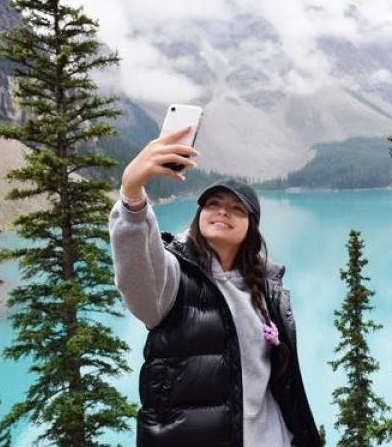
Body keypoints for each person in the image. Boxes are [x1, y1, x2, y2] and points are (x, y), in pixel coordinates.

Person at [108, 126, 322, 447]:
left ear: (251, 229)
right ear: (199, 215)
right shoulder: (174, 275)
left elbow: (281, 383)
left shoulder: (266, 288)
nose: (223, 211)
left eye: (238, 209)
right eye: (213, 203)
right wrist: (132, 195)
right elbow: (138, 276)